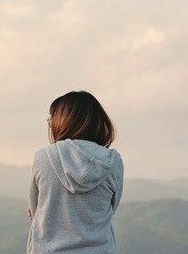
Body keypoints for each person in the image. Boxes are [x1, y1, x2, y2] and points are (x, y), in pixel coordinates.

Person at [27, 91, 124, 254]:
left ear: (61, 122)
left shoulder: (43, 157)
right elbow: (111, 208)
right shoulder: (113, 162)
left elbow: (35, 210)